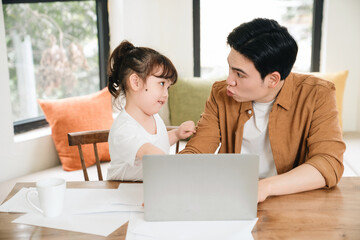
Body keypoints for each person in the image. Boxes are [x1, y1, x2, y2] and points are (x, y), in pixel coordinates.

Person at [180, 18, 345, 202]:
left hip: (291, 200)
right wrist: (170, 180)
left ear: (273, 80)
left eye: (240, 74)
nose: (229, 80)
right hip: (234, 197)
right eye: (230, 68)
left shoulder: (317, 94)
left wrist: (265, 187)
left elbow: (328, 163)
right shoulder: (220, 94)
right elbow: (197, 150)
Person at [107, 40, 196, 181]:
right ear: (136, 82)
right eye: (161, 83)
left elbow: (157, 142)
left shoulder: (153, 117)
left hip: (147, 186)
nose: (166, 94)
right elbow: (148, 152)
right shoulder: (124, 129)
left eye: (168, 87)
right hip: (123, 191)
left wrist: (177, 134)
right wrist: (179, 168)